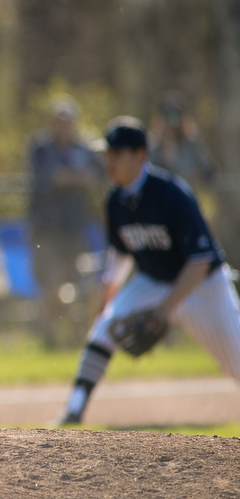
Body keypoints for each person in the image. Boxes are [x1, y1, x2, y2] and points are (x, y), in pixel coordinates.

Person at [57, 117, 240, 425]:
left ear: (140, 155)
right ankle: (73, 411)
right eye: (107, 154)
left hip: (202, 285)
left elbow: (201, 260)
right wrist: (105, 304)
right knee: (104, 328)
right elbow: (120, 257)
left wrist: (165, 310)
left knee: (235, 361)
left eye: (117, 154)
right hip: (153, 281)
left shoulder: (172, 194)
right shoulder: (115, 200)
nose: (109, 161)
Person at [26, 96, 105, 347]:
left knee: (71, 286)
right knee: (50, 284)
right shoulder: (41, 148)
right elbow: (50, 179)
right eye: (58, 121)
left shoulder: (84, 148)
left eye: (67, 121)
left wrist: (69, 178)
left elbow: (97, 177)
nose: (63, 126)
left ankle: (70, 335)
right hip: (46, 229)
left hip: (74, 228)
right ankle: (51, 335)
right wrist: (77, 179)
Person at [147, 90, 216, 189]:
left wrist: (191, 176)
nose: (172, 121)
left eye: (175, 115)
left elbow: (209, 172)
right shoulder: (153, 144)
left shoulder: (191, 143)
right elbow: (149, 175)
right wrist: (166, 145)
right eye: (167, 115)